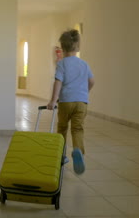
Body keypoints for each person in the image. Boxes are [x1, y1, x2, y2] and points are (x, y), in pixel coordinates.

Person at [47, 29, 94, 175]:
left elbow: (58, 82)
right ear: (78, 46)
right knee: (78, 129)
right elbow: (92, 81)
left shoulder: (62, 64)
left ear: (62, 47)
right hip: (81, 102)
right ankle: (78, 150)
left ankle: (61, 155)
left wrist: (53, 101)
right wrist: (84, 93)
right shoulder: (84, 64)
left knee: (62, 127)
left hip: (66, 101)